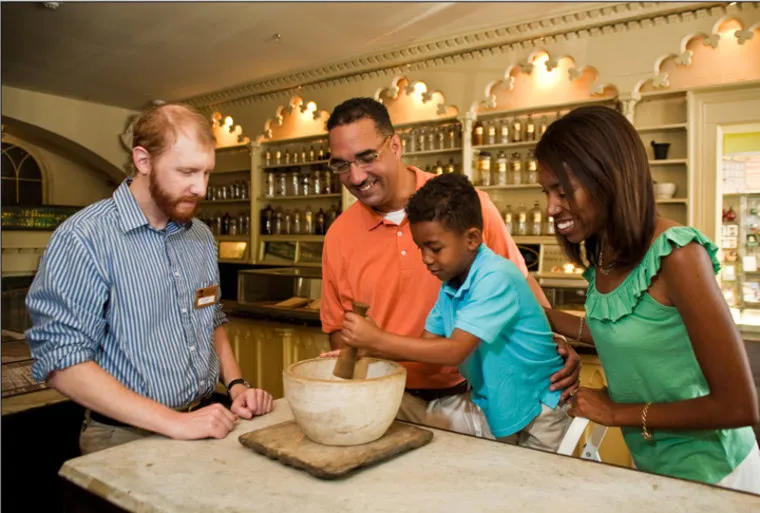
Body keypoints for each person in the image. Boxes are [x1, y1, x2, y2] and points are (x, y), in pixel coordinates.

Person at [320, 97, 580, 436]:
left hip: (474, 400)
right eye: (341, 165)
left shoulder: (469, 207)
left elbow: (521, 285)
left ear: (395, 145)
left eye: (367, 157)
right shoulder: (339, 235)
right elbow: (340, 330)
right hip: (389, 401)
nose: (355, 177)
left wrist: (552, 345)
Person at [25, 103, 273, 455]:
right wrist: (176, 423)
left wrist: (236, 386)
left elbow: (209, 317)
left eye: (206, 173)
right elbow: (63, 363)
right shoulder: (85, 237)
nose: (200, 188)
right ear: (143, 161)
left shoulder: (199, 236)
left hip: (202, 420)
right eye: (186, 172)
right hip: (123, 438)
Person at [537, 105, 760, 493]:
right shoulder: (605, 255)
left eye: (562, 191)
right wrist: (544, 318)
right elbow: (622, 330)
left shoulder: (677, 254)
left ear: (607, 178)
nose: (551, 208)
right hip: (655, 468)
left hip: (716, 476)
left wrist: (613, 411)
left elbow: (739, 406)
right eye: (547, 192)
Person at [338, 174, 572, 451]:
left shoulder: (494, 276)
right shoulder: (452, 285)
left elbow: (453, 351)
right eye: (420, 248)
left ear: (472, 238)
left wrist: (376, 339)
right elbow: (428, 348)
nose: (426, 258)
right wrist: (370, 349)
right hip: (505, 404)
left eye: (434, 248)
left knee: (541, 488)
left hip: (543, 410)